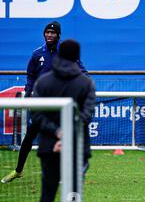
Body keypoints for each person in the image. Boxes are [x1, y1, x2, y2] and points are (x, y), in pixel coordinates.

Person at [1, 21, 87, 184]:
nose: (50, 35)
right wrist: (28, 93)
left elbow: (82, 72)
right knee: (30, 136)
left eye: (53, 33)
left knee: (62, 137)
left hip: (60, 103)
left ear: (59, 35)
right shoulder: (37, 54)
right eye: (47, 32)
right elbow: (31, 76)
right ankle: (18, 170)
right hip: (40, 103)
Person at [31, 39, 96, 202]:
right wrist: (68, 136)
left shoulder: (43, 82)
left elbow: (36, 114)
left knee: (47, 194)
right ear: (77, 56)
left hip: (49, 146)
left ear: (59, 54)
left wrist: (57, 133)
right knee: (73, 194)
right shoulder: (86, 83)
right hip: (76, 147)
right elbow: (86, 115)